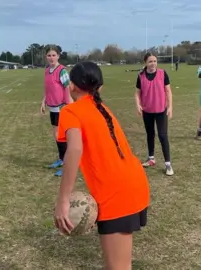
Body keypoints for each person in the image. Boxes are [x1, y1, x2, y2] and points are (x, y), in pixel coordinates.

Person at [53, 61, 150, 270]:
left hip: (117, 193)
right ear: (100, 87)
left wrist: (62, 200)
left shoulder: (71, 111)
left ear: (72, 86)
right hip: (133, 183)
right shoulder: (101, 107)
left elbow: (75, 150)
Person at [135, 52, 174, 175]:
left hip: (161, 110)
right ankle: (151, 158)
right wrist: (138, 104)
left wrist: (170, 107)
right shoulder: (140, 76)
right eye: (150, 61)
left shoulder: (163, 74)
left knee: (163, 136)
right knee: (150, 134)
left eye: (155, 61)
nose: (153, 64)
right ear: (145, 63)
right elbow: (137, 93)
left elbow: (168, 91)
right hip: (147, 111)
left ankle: (168, 164)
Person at [40, 46, 73, 177]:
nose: (51, 58)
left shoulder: (62, 71)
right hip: (52, 106)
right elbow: (48, 89)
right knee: (56, 135)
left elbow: (68, 88)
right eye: (49, 55)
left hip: (62, 107)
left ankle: (67, 164)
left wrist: (68, 105)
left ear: (58, 56)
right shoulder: (47, 70)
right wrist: (43, 101)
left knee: (62, 136)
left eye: (54, 55)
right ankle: (61, 159)